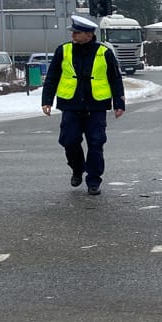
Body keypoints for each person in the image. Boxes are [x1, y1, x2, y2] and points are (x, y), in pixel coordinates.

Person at [41, 15, 126, 195]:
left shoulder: (104, 52)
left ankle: (93, 181)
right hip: (71, 105)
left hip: (96, 106)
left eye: (77, 32)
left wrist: (119, 103)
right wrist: (46, 100)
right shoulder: (63, 50)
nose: (73, 35)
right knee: (69, 141)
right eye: (73, 32)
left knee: (96, 143)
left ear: (88, 35)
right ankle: (77, 169)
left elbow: (115, 79)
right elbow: (52, 77)